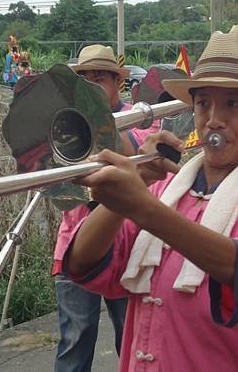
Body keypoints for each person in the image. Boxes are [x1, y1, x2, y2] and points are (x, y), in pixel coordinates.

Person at [64, 26, 238, 372]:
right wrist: (132, 187)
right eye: (203, 103)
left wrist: (142, 207)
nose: (213, 121)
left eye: (233, 104)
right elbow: (82, 264)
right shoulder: (165, 191)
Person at [53, 44, 142, 372]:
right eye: (85, 79)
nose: (91, 86)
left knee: (131, 338)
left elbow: (140, 157)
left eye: (99, 78)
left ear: (117, 82)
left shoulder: (138, 115)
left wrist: (104, 123)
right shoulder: (67, 121)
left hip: (124, 244)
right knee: (75, 339)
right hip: (75, 241)